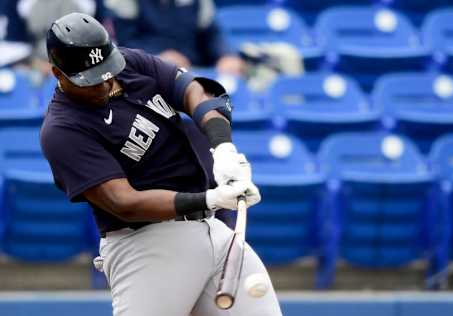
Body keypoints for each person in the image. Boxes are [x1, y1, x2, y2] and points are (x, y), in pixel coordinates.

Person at [40, 12, 282, 316]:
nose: (103, 84)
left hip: (215, 231)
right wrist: (209, 198)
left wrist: (223, 147)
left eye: (106, 72)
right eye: (90, 80)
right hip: (146, 245)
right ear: (58, 74)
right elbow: (123, 202)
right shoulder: (62, 130)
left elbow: (194, 90)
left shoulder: (131, 63)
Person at [105, 0, 244, 75]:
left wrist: (226, 55)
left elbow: (212, 34)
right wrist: (157, 59)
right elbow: (124, 43)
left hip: (194, 72)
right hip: (147, 75)